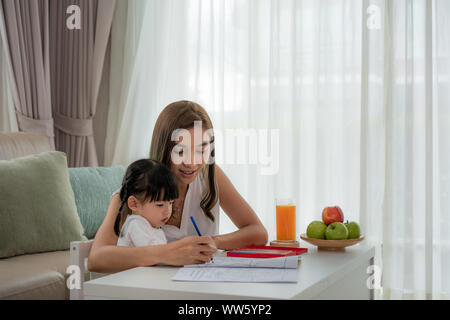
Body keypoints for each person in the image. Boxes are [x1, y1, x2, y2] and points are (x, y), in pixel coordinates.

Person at [88, 101, 268, 273]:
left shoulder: (209, 175)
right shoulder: (135, 193)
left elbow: (258, 233)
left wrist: (214, 242)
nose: (191, 162)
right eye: (181, 151)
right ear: (164, 148)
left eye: (201, 150)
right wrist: (168, 252)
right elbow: (97, 259)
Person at [115, 159, 179, 247]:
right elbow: (154, 253)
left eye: (171, 203)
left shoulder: (150, 226)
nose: (168, 212)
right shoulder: (135, 225)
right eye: (160, 205)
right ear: (134, 204)